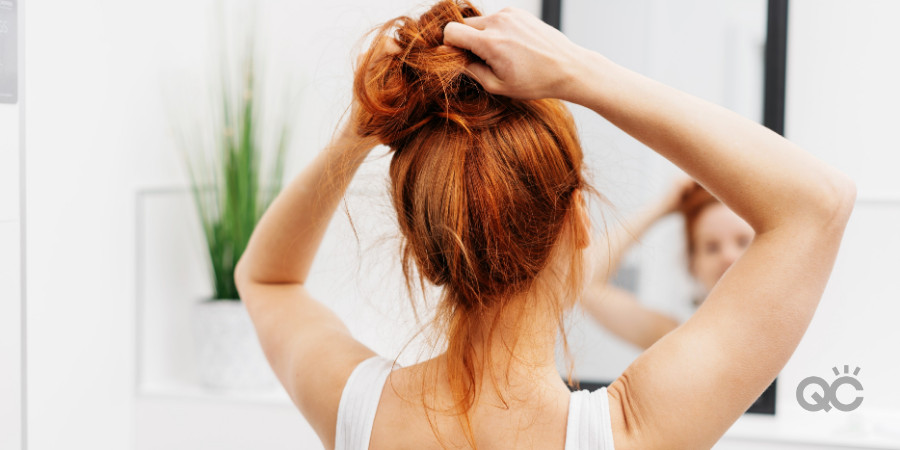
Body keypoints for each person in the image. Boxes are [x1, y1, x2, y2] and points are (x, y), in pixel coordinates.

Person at [232, 1, 856, 449]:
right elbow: (817, 203)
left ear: (423, 252)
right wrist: (580, 71)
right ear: (578, 221)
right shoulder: (629, 432)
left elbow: (267, 280)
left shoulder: (356, 411)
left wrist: (360, 128)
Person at [582, 176, 756, 350]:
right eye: (711, 248)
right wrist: (661, 207)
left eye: (743, 242)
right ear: (693, 265)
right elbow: (587, 285)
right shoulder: (677, 336)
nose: (728, 256)